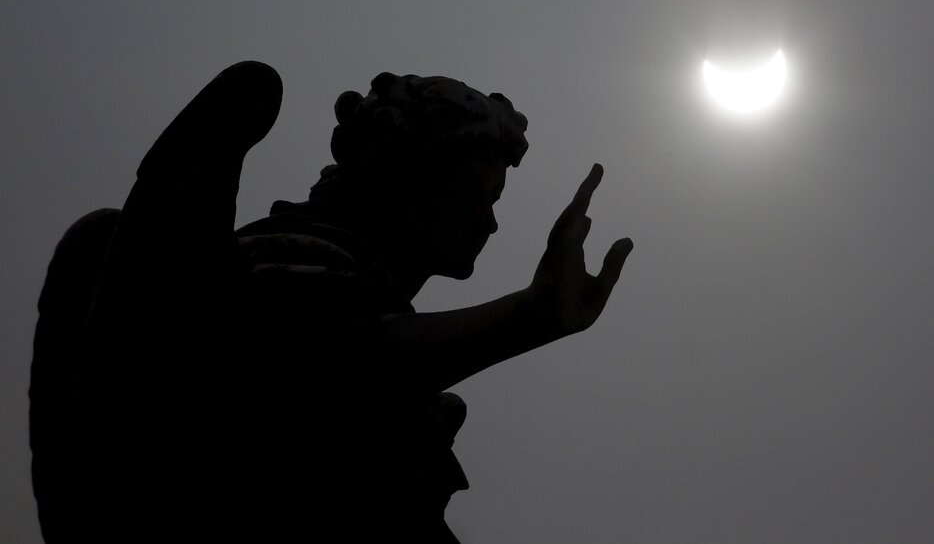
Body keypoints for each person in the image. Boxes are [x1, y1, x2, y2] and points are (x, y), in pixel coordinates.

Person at [30, 61, 633, 542]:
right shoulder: (279, 260)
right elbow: (337, 361)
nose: (490, 222)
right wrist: (526, 317)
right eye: (480, 191)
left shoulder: (354, 283)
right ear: (406, 167)